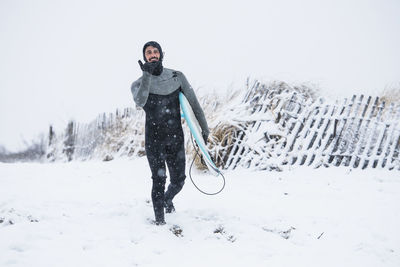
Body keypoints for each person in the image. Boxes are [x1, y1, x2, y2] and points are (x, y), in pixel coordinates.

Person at [131, 41, 209, 225]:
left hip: (175, 138)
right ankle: (160, 222)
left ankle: (168, 198)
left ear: (161, 54)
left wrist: (204, 129)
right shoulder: (138, 84)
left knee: (179, 181)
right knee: (158, 180)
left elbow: (194, 104)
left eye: (155, 51)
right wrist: (147, 75)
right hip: (153, 140)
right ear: (144, 57)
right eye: (148, 52)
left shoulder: (177, 77)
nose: (152, 55)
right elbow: (140, 101)